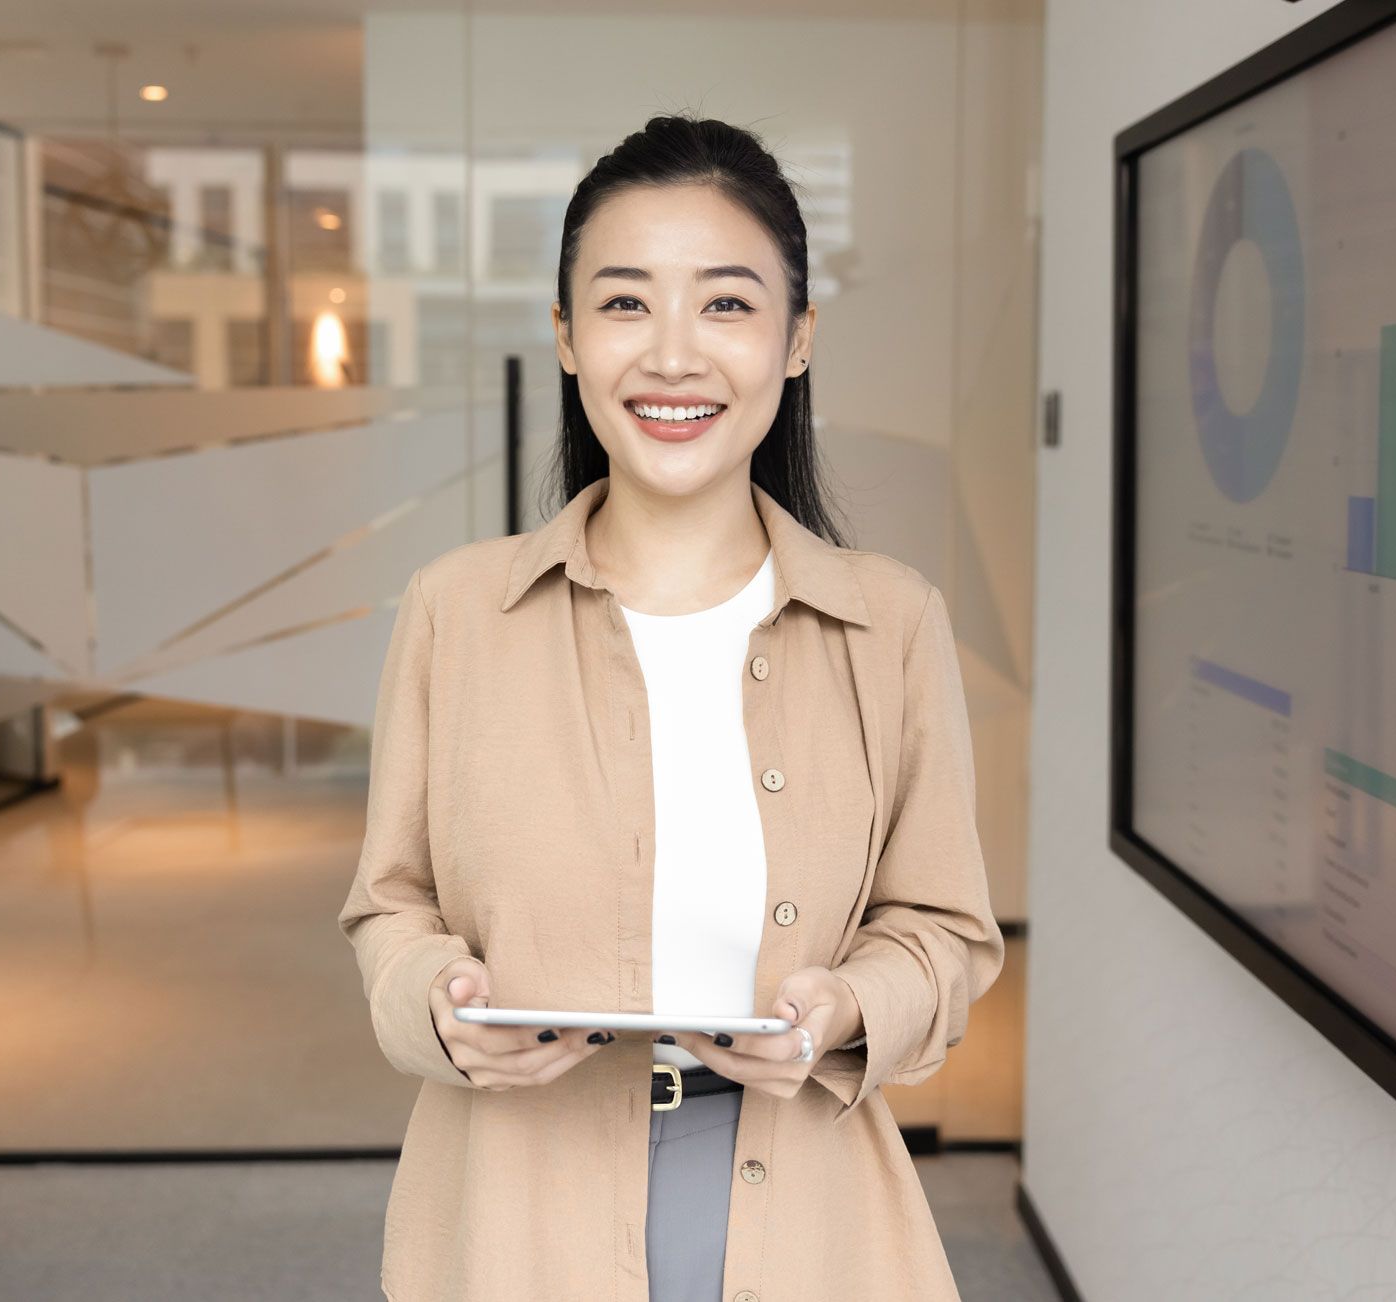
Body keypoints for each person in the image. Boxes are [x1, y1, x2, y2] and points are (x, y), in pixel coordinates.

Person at [337, 111, 1005, 1302]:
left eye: (729, 304)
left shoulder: (889, 622)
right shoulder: (456, 611)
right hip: (512, 1208)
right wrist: (439, 1006)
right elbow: (388, 909)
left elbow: (944, 932)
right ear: (565, 336)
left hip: (806, 1208)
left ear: (797, 340)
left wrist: (845, 1008)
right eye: (627, 302)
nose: (674, 356)